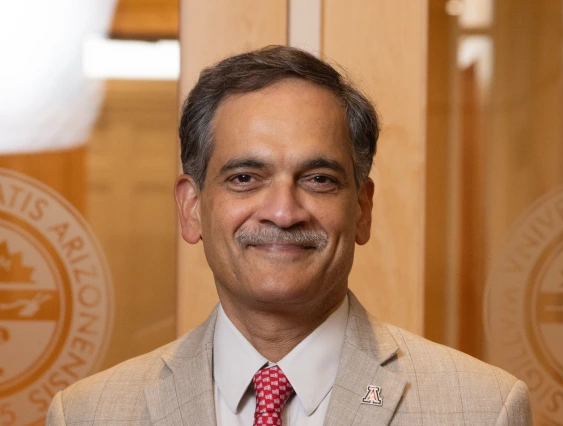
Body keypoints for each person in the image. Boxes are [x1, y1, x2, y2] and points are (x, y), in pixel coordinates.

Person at [47, 46, 532, 426]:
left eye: (319, 179)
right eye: (245, 178)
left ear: (362, 208)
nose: (283, 212)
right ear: (191, 209)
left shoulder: (482, 409)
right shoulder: (90, 414)